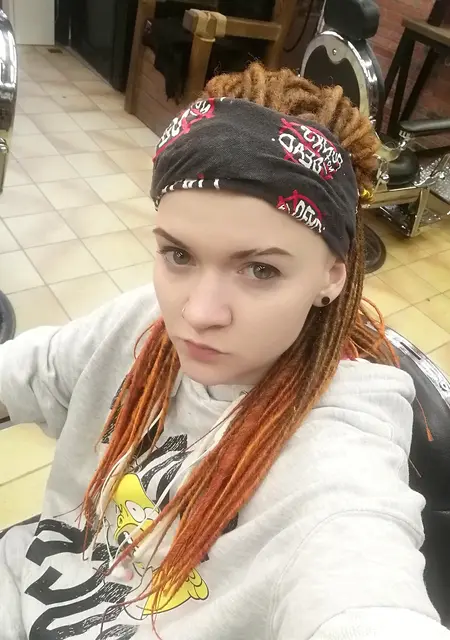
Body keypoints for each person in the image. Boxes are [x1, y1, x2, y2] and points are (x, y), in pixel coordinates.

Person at [0, 63, 448, 640]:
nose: (198, 313)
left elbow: (361, 583)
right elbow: (35, 370)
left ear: (333, 275)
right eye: (179, 256)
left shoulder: (337, 451)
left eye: (260, 269)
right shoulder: (142, 323)